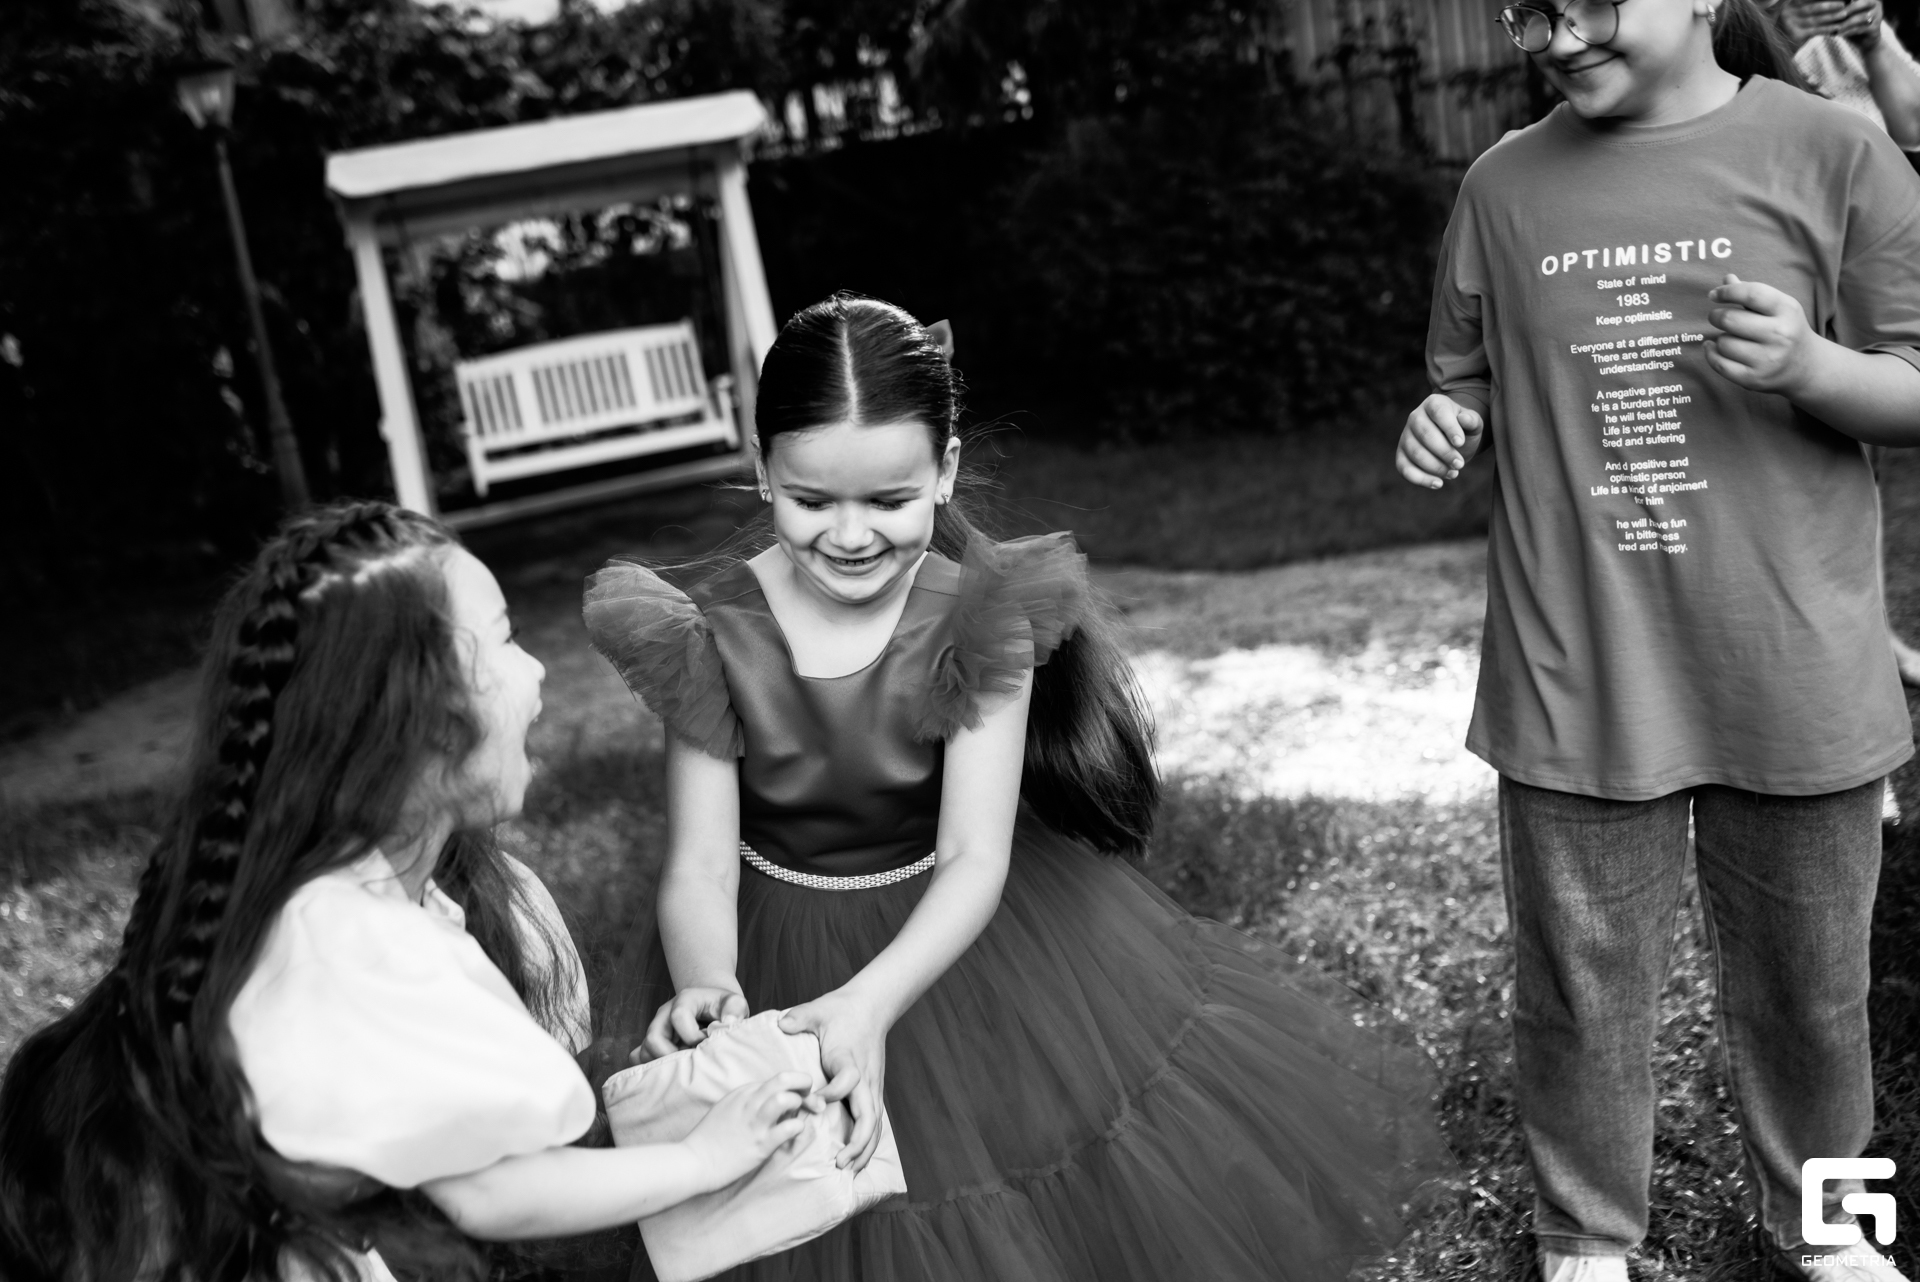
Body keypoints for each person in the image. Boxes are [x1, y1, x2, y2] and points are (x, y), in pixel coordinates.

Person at [582, 294, 1450, 1282]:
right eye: (812, 502)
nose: (851, 535)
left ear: (946, 470)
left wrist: (869, 1005)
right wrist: (708, 981)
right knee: (792, 1195)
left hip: (951, 939)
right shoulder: (709, 632)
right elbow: (700, 862)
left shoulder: (979, 618)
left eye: (890, 501)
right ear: (762, 468)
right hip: (772, 936)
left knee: (989, 1174)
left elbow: (973, 855)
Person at [1394, 0, 1920, 1276]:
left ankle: (1831, 1228)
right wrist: (1448, 418)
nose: (1555, 38)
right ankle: (1585, 1236)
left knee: (1817, 993)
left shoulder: (1836, 150)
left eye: (1587, 2)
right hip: (1579, 664)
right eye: (1526, 12)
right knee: (1578, 988)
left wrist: (1809, 366)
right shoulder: (1503, 186)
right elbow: (1467, 375)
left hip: (1792, 665)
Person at [0, 501, 815, 1282]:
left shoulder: (347, 904)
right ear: (426, 717)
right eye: (506, 639)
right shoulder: (358, 939)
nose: (537, 670)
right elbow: (496, 1193)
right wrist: (702, 1157)